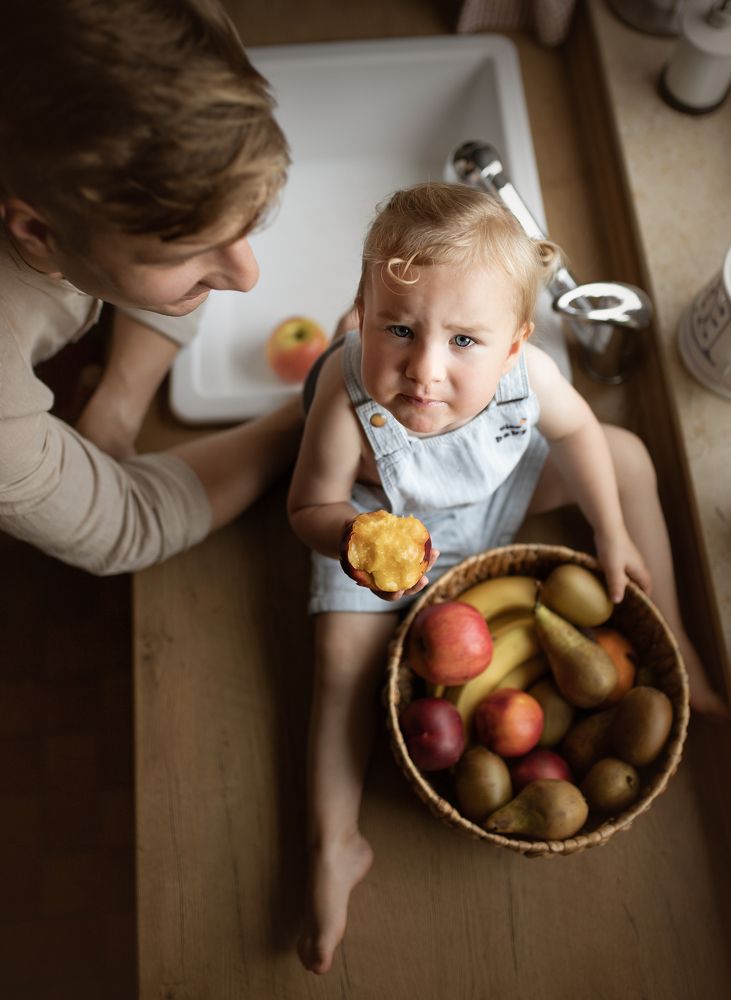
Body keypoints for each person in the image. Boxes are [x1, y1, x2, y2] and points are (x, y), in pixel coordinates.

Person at [287, 181, 729, 974]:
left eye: (463, 340)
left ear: (515, 343)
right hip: (385, 518)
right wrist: (351, 539)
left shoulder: (531, 376)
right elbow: (307, 506)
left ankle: (680, 645)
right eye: (397, 328)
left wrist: (609, 528)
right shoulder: (345, 395)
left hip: (495, 493)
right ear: (362, 312)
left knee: (625, 457)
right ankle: (333, 845)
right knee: (339, 662)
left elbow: (578, 432)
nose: (423, 369)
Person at [0, 0, 303, 574]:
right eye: (186, 253)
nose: (247, 276)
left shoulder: (171, 50)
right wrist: (312, 407)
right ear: (38, 232)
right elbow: (126, 522)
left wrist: (119, 401)